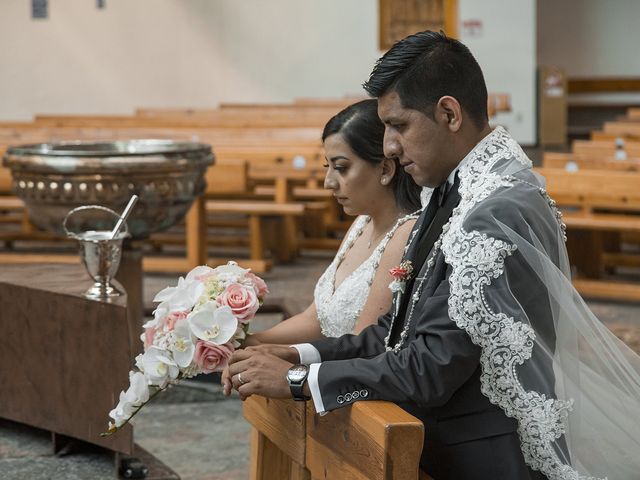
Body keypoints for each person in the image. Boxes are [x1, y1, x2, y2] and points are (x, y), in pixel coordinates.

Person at [226, 31, 640, 480]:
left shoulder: (494, 209)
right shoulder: (453, 190)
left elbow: (430, 367)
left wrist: (296, 383)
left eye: (399, 125)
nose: (388, 146)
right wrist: (300, 355)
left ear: (449, 113)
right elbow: (398, 329)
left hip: (483, 456)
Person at [244, 99, 421, 345]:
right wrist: (247, 343)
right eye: (328, 167)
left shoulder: (405, 234)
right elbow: (314, 320)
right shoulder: (362, 223)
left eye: (341, 167)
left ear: (385, 170)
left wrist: (287, 366)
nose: (328, 182)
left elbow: (362, 345)